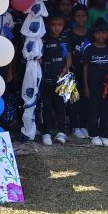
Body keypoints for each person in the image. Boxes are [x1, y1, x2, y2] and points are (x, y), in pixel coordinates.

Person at [82, 20, 108, 147]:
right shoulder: (89, 48)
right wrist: (86, 86)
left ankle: (104, 134)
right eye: (98, 33)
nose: (101, 36)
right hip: (93, 84)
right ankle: (94, 134)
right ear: (94, 34)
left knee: (106, 110)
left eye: (104, 33)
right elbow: (85, 67)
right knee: (93, 110)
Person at [39, 14, 71, 146]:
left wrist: (66, 68)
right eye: (53, 25)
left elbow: (68, 55)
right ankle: (46, 132)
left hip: (61, 79)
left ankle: (61, 132)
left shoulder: (64, 39)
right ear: (48, 25)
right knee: (47, 106)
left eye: (60, 25)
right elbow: (40, 58)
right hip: (47, 79)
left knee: (61, 106)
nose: (57, 28)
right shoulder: (44, 39)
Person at [65, 5, 90, 139]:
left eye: (83, 15)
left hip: (87, 72)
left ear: (87, 17)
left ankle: (84, 125)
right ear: (73, 17)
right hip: (73, 71)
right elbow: (67, 52)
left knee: (86, 98)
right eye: (78, 15)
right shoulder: (69, 34)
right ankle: (75, 126)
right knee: (74, 99)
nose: (81, 18)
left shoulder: (90, 33)